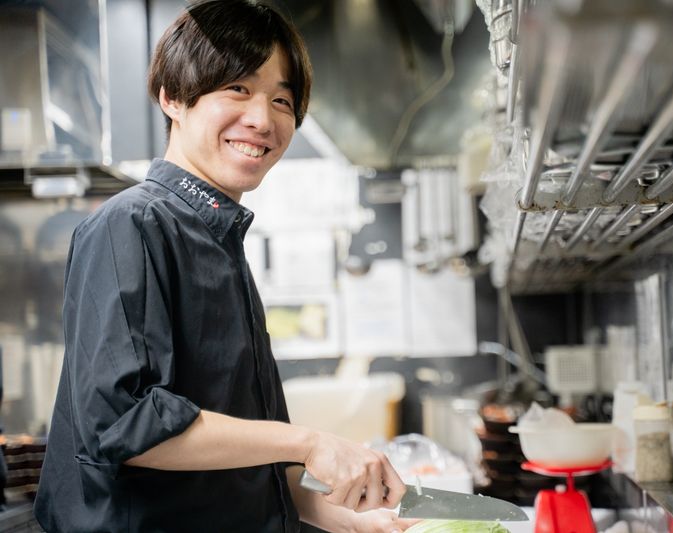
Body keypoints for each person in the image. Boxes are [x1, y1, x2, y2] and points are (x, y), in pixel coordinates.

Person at [34, 2, 416, 531]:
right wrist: (309, 443)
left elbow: (240, 461)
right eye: (237, 88)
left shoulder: (219, 239)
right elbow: (126, 423)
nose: (262, 119)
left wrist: (353, 522)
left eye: (282, 100)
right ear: (172, 97)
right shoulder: (132, 224)